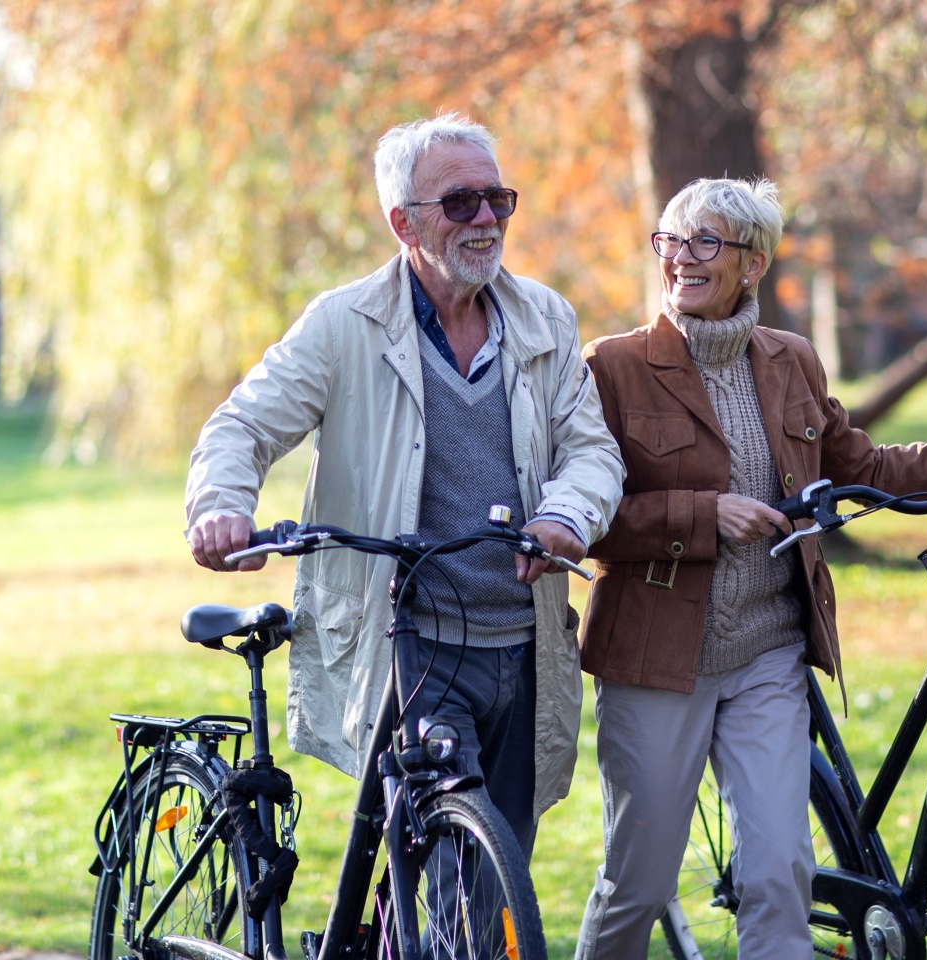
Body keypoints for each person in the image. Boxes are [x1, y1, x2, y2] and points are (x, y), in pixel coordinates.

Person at [572, 178, 927, 959]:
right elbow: (587, 516)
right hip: (657, 660)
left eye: (705, 242)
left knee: (779, 873)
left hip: (767, 649)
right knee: (640, 882)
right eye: (670, 240)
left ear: (752, 263)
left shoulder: (789, 360)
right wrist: (705, 514)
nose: (681, 259)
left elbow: (866, 463)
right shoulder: (613, 367)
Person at [185, 113, 624, 853]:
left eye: (498, 199)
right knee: (449, 861)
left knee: (496, 876)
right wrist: (222, 506)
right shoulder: (343, 325)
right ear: (404, 223)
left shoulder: (545, 318)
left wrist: (566, 519)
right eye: (460, 203)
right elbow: (241, 428)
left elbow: (593, 451)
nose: (486, 218)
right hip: (412, 643)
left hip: (522, 645)